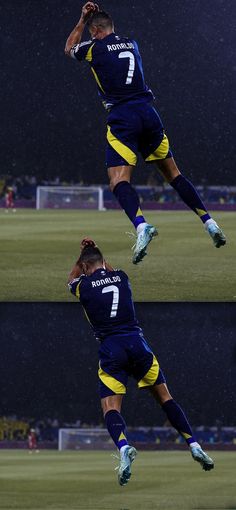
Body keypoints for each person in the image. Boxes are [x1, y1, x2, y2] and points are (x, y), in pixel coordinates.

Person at [65, 3, 226, 264]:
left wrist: (82, 20)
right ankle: (209, 222)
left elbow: (69, 49)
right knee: (174, 175)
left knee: (118, 181)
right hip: (149, 113)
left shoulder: (94, 47)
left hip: (122, 116)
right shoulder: (132, 43)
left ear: (96, 31)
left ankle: (142, 226)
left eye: (92, 31)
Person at [68, 238, 214, 486]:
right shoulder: (122, 276)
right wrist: (97, 258)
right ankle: (195, 445)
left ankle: (124, 447)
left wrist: (80, 257)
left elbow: (70, 280)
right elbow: (108, 272)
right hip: (138, 343)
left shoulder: (83, 286)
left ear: (84, 267)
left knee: (111, 408)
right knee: (166, 399)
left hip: (112, 348)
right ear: (104, 262)